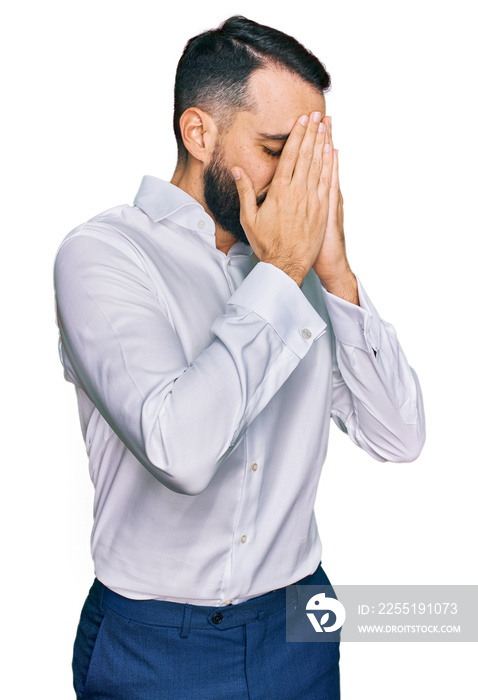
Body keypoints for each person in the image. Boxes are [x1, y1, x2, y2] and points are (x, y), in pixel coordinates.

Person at [54, 15, 425, 700]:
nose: (298, 183)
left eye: (313, 156)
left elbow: (399, 436)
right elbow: (181, 452)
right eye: (279, 148)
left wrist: (336, 272)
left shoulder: (303, 267)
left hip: (299, 622)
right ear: (200, 134)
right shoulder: (104, 255)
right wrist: (282, 275)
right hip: (153, 642)